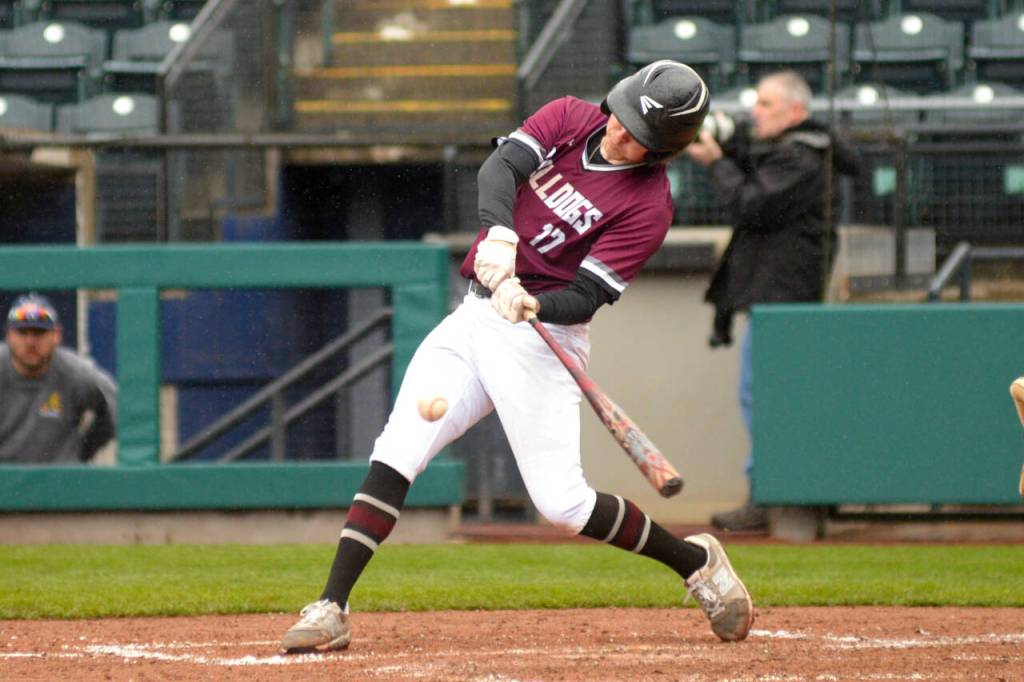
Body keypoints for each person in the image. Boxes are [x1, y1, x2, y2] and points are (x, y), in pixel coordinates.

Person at [279, 60, 754, 654]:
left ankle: (694, 562)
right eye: (623, 120)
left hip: (541, 340)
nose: (619, 134)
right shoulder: (571, 117)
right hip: (473, 318)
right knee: (398, 448)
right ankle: (331, 608)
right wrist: (499, 235)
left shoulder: (648, 206)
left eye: (638, 137)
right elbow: (501, 167)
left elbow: (587, 294)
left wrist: (532, 300)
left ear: (664, 152)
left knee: (563, 504)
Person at [685, 71, 861, 531]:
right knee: (759, 396)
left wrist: (714, 162)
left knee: (762, 398)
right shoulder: (796, 151)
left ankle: (767, 494)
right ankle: (766, 492)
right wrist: (727, 147)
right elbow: (756, 172)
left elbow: (752, 203)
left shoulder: (803, 158)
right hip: (776, 298)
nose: (755, 113)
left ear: (796, 111)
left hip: (783, 300)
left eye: (766, 104)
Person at [0, 293, 118, 464]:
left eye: (39, 332)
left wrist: (84, 450)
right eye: (22, 332)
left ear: (56, 335)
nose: (30, 341)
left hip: (59, 482)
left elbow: (118, 406)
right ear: (8, 335)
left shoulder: (74, 372)